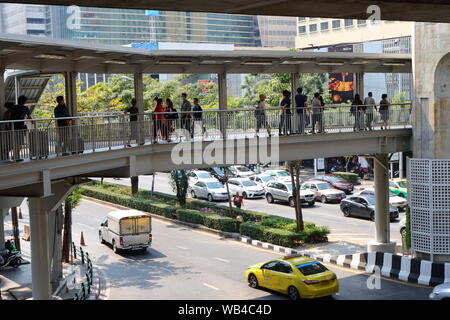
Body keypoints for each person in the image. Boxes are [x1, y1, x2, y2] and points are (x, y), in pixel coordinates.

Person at [9, 95, 32, 162]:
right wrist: (33, 121)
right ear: (24, 102)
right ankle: (17, 156)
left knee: (14, 141)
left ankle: (14, 156)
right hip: (20, 127)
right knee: (20, 142)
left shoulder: (13, 107)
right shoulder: (25, 108)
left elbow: (10, 116)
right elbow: (29, 117)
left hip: (13, 127)